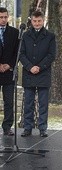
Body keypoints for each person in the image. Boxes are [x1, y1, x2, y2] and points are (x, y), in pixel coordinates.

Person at [19, 11, 56, 137]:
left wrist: (39, 67)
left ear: (43, 20)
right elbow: (21, 53)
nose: (37, 23)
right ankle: (27, 127)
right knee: (28, 102)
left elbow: (52, 55)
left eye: (39, 21)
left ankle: (42, 128)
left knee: (43, 103)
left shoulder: (50, 36)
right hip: (29, 73)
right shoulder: (25, 35)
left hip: (43, 73)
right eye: (34, 21)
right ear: (31, 21)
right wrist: (30, 67)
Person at [0, 7, 19, 136]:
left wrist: (9, 65)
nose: (3, 20)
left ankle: (7, 126)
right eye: (1, 17)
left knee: (9, 101)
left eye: (5, 17)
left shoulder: (14, 32)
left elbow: (17, 52)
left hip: (8, 72)